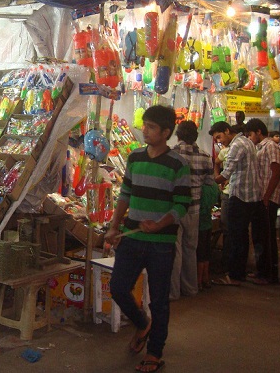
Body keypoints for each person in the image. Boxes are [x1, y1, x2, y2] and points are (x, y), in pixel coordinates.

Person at [105, 105, 191, 373]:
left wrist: (160, 224)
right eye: (145, 125)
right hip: (131, 238)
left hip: (161, 243)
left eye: (152, 127)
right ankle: (143, 323)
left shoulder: (178, 164)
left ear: (166, 132)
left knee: (159, 300)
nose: (145, 130)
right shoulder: (134, 157)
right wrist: (114, 226)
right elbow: (125, 195)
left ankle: (155, 353)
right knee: (118, 287)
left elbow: (182, 205)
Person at [209, 121, 261, 286]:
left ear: (227, 130)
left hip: (239, 196)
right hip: (249, 196)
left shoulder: (237, 145)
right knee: (242, 236)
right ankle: (239, 273)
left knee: (234, 235)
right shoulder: (247, 141)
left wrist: (209, 181)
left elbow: (226, 172)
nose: (220, 141)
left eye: (219, 137)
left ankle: (234, 274)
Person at [170, 120, 214, 300]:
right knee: (190, 248)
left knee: (176, 250)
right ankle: (190, 288)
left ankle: (173, 292)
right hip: (194, 209)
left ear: (178, 135)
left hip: (173, 210)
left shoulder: (171, 155)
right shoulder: (205, 156)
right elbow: (210, 184)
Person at [244, 118, 280, 285]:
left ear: (259, 132)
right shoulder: (260, 147)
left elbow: (276, 172)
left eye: (251, 134)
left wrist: (267, 196)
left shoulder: (271, 146)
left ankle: (270, 274)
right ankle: (261, 271)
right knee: (259, 236)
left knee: (267, 237)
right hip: (260, 198)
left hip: (268, 199)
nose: (250, 138)